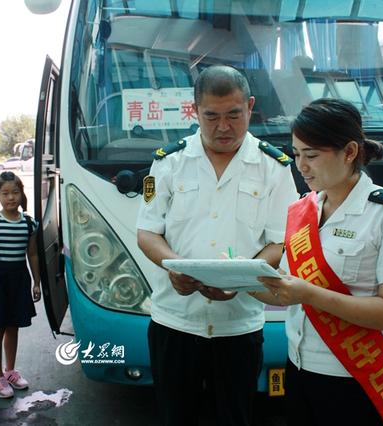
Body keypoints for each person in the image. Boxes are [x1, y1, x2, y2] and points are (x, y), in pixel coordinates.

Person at [136, 65, 298, 425]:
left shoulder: (275, 168)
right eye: (211, 116)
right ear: (194, 110)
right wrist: (173, 266)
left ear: (250, 107)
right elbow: (147, 232)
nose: (223, 127)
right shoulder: (166, 163)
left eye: (233, 115)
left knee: (236, 417)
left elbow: (280, 242)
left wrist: (241, 280)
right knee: (176, 417)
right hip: (175, 323)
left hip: (238, 327)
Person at [258, 98, 383, 426]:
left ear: (350, 152)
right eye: (296, 154)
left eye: (311, 155)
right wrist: (238, 279)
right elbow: (287, 290)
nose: (301, 166)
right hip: (297, 366)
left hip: (355, 379)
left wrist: (308, 294)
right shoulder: (302, 209)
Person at [0, 171, 41, 398]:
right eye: (6, 193)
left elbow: (32, 254)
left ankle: (10, 370)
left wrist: (36, 282)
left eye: (15, 192)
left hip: (19, 279)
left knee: (13, 327)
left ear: (22, 194)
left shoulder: (29, 223)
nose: (11, 197)